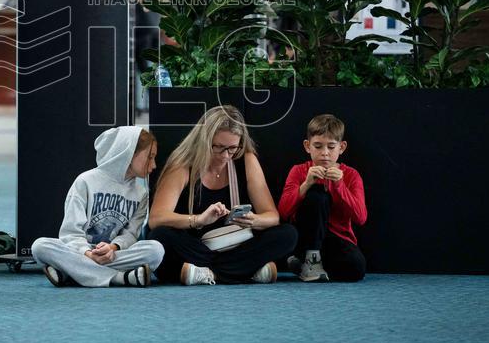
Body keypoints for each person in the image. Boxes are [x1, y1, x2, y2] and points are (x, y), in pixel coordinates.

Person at [148, 105, 298, 285]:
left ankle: (207, 273)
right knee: (160, 236)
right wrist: (198, 220)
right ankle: (244, 271)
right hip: (196, 245)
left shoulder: (246, 159)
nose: (226, 155)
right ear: (204, 139)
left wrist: (254, 220)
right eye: (218, 147)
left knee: (288, 234)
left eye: (233, 148)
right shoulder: (183, 164)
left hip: (236, 245)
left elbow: (272, 217)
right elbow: (156, 218)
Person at [31, 126, 165, 288]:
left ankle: (71, 273)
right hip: (80, 251)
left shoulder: (141, 193)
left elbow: (130, 235)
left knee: (156, 250)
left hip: (112, 254)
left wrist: (112, 247)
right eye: (150, 157)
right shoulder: (85, 181)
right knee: (40, 246)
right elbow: (70, 233)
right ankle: (119, 278)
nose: (154, 165)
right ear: (128, 153)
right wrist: (87, 253)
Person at [278, 114, 367, 282]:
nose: (324, 153)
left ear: (341, 147)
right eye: (318, 146)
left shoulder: (351, 175)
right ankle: (310, 258)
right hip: (304, 237)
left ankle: (305, 266)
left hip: (334, 239)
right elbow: (283, 212)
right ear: (307, 146)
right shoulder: (298, 171)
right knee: (317, 196)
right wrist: (306, 184)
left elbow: (360, 218)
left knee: (356, 267)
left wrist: (340, 185)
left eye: (331, 147)